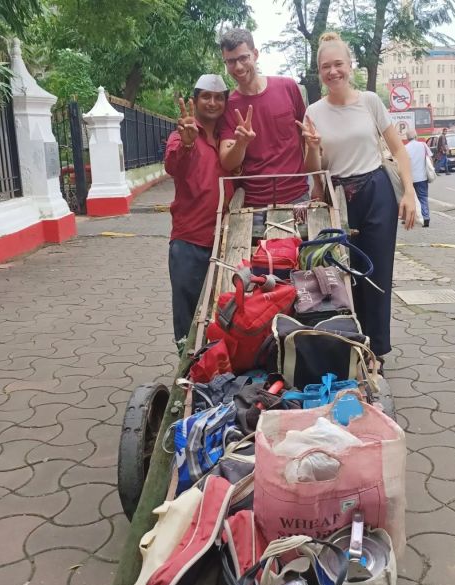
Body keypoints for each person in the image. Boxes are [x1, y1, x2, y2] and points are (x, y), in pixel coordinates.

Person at [298, 32, 416, 360]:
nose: (333, 71)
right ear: (319, 72)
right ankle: (347, 346)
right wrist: (310, 146)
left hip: (376, 192)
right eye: (326, 67)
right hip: (337, 198)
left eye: (338, 64)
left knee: (376, 275)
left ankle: (375, 352)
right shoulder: (314, 112)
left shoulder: (370, 102)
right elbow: (315, 168)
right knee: (339, 276)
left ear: (350, 65)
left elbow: (398, 151)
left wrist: (409, 193)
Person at [164, 74, 231, 350]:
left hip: (227, 241)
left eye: (218, 97)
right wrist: (188, 143)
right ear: (195, 100)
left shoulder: (230, 139)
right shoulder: (181, 136)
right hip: (189, 241)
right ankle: (188, 374)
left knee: (225, 313)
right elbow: (172, 166)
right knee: (189, 316)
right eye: (206, 96)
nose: (212, 102)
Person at [218, 28, 310, 208]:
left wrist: (318, 184)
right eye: (230, 61)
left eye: (243, 58)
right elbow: (227, 162)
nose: (237, 67)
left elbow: (307, 140)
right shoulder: (228, 106)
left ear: (255, 54)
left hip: (298, 196)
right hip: (254, 204)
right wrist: (241, 143)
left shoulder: (288, 88)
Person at [405, 128, 432, 227]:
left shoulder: (405, 148)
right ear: (416, 136)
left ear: (407, 138)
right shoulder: (423, 145)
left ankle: (409, 218)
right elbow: (430, 158)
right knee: (423, 198)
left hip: (410, 178)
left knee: (411, 199)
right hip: (422, 177)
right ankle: (426, 218)